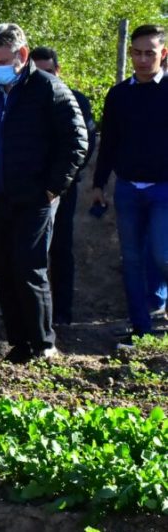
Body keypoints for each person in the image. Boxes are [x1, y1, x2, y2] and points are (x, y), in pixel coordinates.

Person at [0, 25, 87, 363]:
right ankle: (19, 342)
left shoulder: (49, 89)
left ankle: (43, 343)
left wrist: (52, 187)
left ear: (22, 55)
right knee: (3, 269)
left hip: (35, 198)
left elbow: (77, 142)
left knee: (29, 267)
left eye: (2, 60)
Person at [91, 24, 168, 347]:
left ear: (163, 54)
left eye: (149, 52)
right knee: (132, 259)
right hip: (127, 188)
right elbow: (108, 142)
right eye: (136, 52)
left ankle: (158, 312)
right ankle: (141, 329)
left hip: (164, 188)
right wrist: (98, 183)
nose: (141, 59)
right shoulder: (119, 94)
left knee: (162, 254)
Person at [29, 46, 98, 326]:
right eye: (38, 71)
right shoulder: (23, 101)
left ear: (58, 71)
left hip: (62, 188)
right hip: (29, 187)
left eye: (48, 71)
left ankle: (62, 314)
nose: (43, 77)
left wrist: (60, 181)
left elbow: (85, 143)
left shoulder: (76, 100)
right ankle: (33, 314)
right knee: (30, 253)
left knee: (60, 249)